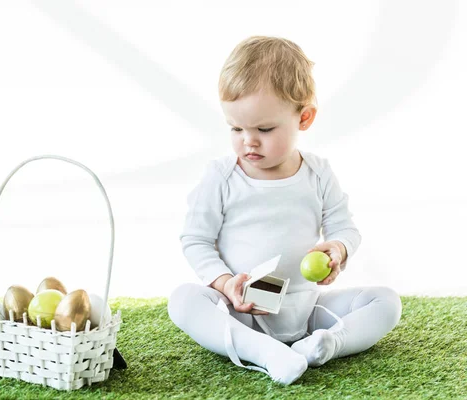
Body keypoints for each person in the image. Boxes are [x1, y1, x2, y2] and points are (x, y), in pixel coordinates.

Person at [168, 36, 402, 385]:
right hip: (243, 310)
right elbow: (196, 240)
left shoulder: (317, 173)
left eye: (264, 129)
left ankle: (326, 344)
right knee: (183, 300)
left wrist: (337, 250)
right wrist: (226, 283)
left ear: (303, 118)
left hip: (306, 309)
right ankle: (263, 351)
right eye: (236, 128)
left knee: (386, 302)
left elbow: (345, 229)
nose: (248, 140)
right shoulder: (222, 176)